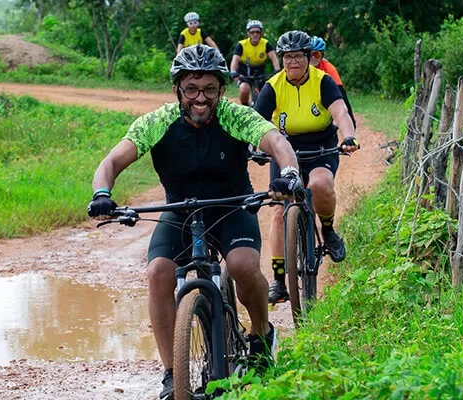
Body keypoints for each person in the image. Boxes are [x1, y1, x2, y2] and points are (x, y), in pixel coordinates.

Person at [87, 44, 301, 400]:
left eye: (209, 90)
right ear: (177, 91)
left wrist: (290, 172)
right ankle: (173, 373)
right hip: (180, 210)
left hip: (231, 207)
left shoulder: (234, 116)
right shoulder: (158, 121)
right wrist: (101, 194)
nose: (200, 98)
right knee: (158, 273)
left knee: (243, 265)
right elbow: (111, 161)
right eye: (191, 89)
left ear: (222, 90)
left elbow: (276, 142)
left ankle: (262, 336)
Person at [252, 31, 360, 304]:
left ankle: (328, 230)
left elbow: (340, 113)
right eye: (288, 57)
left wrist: (348, 136)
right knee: (277, 211)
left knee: (321, 185)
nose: (293, 62)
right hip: (284, 150)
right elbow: (254, 122)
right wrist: (251, 146)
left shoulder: (323, 81)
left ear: (309, 57)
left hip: (320, 147)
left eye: (299, 56)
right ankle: (279, 281)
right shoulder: (273, 85)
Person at [228, 20, 280, 106]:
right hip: (244, 71)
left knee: (264, 92)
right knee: (244, 89)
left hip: (259, 71)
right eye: (252, 32)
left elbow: (273, 57)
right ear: (248, 34)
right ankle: (245, 106)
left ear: (261, 33)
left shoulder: (265, 43)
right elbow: (235, 60)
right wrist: (233, 71)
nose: (255, 34)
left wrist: (277, 70)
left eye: (257, 32)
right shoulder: (242, 44)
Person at [310, 35, 355, 128]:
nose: (313, 58)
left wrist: (351, 122)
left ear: (322, 56)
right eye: (310, 54)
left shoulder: (329, 68)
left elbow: (341, 93)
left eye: (316, 54)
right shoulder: (299, 68)